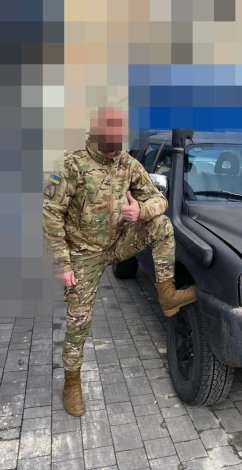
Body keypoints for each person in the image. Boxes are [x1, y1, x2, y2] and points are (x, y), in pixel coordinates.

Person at [43, 107, 197, 417]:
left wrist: (141, 210)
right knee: (78, 320)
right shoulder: (72, 164)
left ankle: (167, 293)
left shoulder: (128, 164)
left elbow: (159, 199)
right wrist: (63, 263)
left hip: (117, 244)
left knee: (161, 224)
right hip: (83, 254)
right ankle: (72, 382)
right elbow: (50, 213)